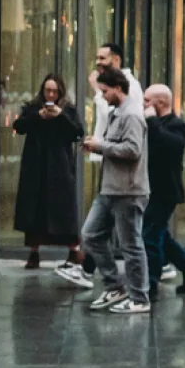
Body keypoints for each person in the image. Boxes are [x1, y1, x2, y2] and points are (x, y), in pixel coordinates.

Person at [74, 68, 151, 314]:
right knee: (91, 235)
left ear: (118, 88)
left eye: (105, 91)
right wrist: (98, 147)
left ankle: (139, 298)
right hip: (111, 189)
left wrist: (101, 145)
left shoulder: (131, 115)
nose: (103, 96)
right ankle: (115, 285)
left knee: (131, 245)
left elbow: (133, 150)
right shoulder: (118, 112)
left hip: (128, 191)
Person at [12, 75, 87, 271]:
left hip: (59, 167)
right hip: (35, 166)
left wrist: (60, 116)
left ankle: (73, 250)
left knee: (63, 208)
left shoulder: (68, 109)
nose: (51, 95)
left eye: (55, 91)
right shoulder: (33, 107)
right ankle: (34, 252)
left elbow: (77, 132)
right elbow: (19, 126)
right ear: (42, 90)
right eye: (48, 90)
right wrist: (39, 116)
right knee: (34, 209)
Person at [142, 84, 185, 294]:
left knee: (150, 237)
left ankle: (150, 285)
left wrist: (152, 121)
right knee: (160, 235)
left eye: (147, 100)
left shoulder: (176, 124)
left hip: (164, 190)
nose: (143, 104)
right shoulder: (151, 123)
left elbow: (170, 145)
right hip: (150, 187)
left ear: (160, 103)